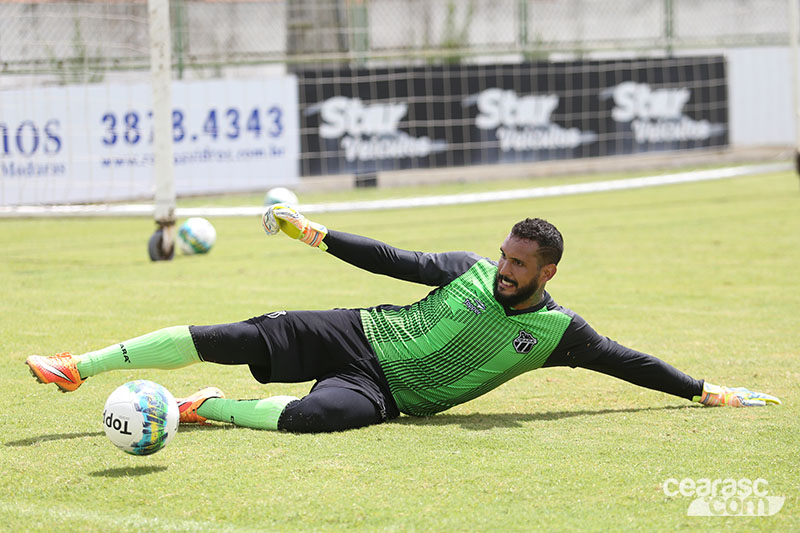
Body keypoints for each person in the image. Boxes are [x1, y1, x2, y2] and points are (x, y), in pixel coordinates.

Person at [25, 205, 781, 433]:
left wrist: (706, 390)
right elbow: (394, 260)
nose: (505, 268)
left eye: (520, 265)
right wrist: (321, 236)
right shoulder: (467, 270)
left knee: (314, 420)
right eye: (504, 256)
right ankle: (79, 365)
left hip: (389, 394)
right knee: (228, 336)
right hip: (357, 330)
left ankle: (200, 409)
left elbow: (629, 361)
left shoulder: (558, 334)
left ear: (548, 273)